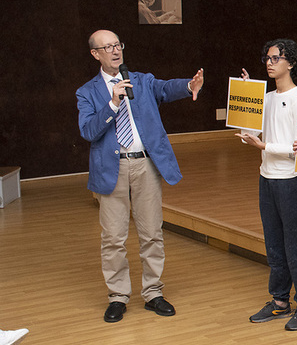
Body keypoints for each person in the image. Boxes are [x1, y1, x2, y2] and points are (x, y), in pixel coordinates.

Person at [77, 30, 205, 323]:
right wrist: (112, 103)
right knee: (113, 238)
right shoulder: (86, 92)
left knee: (151, 232)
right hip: (113, 168)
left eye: (118, 45)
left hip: (146, 165)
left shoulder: (141, 80)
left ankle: (153, 293)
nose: (115, 51)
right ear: (95, 54)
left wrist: (188, 85)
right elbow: (88, 131)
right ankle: (118, 297)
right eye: (107, 47)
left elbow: (165, 88)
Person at [238, 39, 297, 332]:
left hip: (291, 181)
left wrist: (265, 145)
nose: (269, 63)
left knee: (296, 246)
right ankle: (280, 301)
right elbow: (252, 131)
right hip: (266, 178)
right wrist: (247, 96)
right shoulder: (268, 98)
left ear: (291, 63)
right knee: (274, 244)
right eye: (267, 57)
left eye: (275, 58)